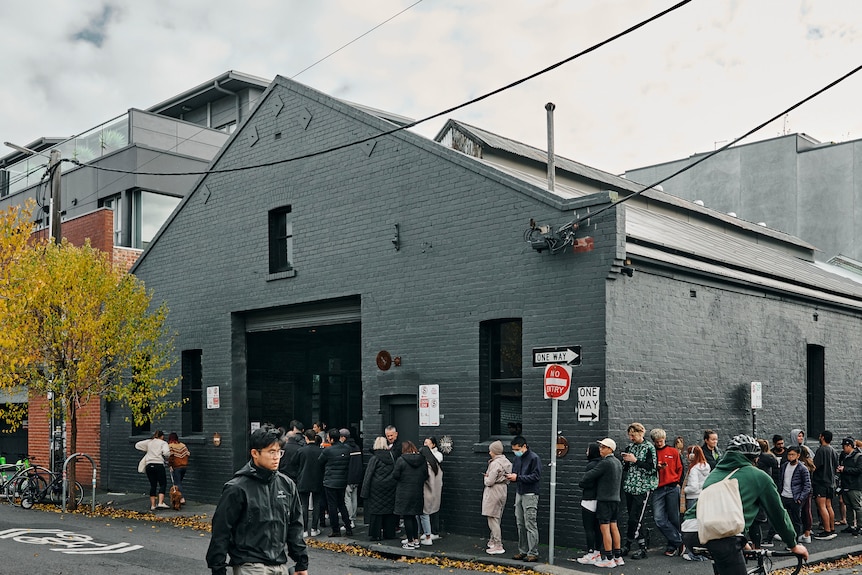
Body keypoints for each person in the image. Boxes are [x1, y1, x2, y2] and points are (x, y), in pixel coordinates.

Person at [681, 434, 807, 575]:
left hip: (690, 530)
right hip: (718, 534)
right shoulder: (759, 476)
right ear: (755, 458)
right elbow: (778, 514)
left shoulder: (715, 473)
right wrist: (793, 544)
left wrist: (741, 540)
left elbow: (718, 510)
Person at [206, 426, 308, 575]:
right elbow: (221, 530)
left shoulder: (287, 485)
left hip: (280, 565)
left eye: (279, 452)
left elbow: (295, 526)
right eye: (271, 452)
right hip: (250, 565)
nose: (276, 457)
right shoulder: (237, 488)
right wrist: (218, 568)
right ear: (255, 453)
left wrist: (301, 562)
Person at [578, 438, 624, 568]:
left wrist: (582, 481)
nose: (600, 449)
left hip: (604, 500)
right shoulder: (618, 462)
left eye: (603, 447)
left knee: (604, 529)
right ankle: (618, 556)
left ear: (610, 449)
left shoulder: (605, 463)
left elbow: (589, 475)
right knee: (614, 527)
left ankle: (608, 558)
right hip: (616, 499)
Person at [621, 422, 657, 559]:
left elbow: (651, 468)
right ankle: (641, 547)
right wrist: (625, 461)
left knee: (635, 518)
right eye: (629, 435)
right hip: (630, 485)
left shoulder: (649, 448)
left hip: (642, 487)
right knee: (634, 517)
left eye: (633, 435)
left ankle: (629, 543)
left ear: (641, 433)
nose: (631, 438)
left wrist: (635, 460)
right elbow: (626, 469)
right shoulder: (630, 447)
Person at [506, 435, 541, 562]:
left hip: (530, 493)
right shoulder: (517, 458)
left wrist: (518, 478)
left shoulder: (534, 458)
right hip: (520, 492)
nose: (516, 452)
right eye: (514, 449)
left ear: (524, 446)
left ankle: (533, 552)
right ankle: (523, 550)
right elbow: (517, 474)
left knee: (530, 523)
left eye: (517, 449)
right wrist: (512, 477)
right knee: (520, 523)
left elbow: (536, 476)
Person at [650, 428, 684, 556]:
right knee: (659, 518)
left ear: (664, 439)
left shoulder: (673, 452)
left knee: (674, 517)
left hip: (672, 487)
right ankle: (679, 541)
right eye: (657, 441)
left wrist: (677, 483)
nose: (659, 443)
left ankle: (672, 545)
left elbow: (680, 468)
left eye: (661, 441)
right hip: (658, 488)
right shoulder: (651, 452)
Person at [361, 436, 398, 541]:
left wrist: (364, 492)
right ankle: (390, 533)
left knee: (376, 511)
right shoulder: (392, 456)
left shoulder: (374, 458)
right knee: (389, 511)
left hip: (376, 488)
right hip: (390, 486)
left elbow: (368, 475)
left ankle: (375, 534)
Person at [393, 441, 427, 549]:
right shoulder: (422, 460)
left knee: (407, 516)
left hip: (404, 492)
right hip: (417, 491)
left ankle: (410, 541)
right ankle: (416, 539)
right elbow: (426, 475)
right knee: (414, 516)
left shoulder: (401, 460)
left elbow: (395, 475)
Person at [318, 428, 352, 536]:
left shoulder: (328, 451)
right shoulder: (347, 449)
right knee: (342, 504)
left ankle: (336, 530)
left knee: (332, 506)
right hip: (342, 480)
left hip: (330, 481)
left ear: (332, 439)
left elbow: (320, 462)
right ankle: (348, 527)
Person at [574, 444, 603, 564]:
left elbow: (587, 482)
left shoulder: (591, 465)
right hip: (600, 499)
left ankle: (590, 552)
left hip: (589, 499)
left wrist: (581, 484)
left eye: (587, 450)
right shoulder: (602, 464)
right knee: (598, 528)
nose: (586, 452)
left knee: (589, 528)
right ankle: (597, 552)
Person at [292, 429, 324, 537]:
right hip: (317, 479)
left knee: (303, 505)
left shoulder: (301, 450)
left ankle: (304, 529)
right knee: (317, 504)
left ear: (306, 438)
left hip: (303, 479)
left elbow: (293, 463)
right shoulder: (321, 451)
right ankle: (314, 528)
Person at [482, 440, 512, 555]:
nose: (489, 452)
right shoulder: (506, 462)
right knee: (497, 516)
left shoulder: (494, 464)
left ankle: (498, 545)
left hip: (494, 490)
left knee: (492, 518)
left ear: (494, 451)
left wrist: (486, 478)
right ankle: (493, 540)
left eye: (491, 450)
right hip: (503, 490)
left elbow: (489, 481)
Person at [779, 446, 812, 539]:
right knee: (781, 518)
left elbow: (807, 485)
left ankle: (795, 540)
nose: (790, 457)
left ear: (798, 455)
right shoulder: (784, 466)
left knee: (796, 520)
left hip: (795, 498)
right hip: (784, 496)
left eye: (793, 454)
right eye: (789, 454)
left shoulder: (802, 468)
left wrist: (800, 498)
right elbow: (781, 480)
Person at [812, 430, 839, 540]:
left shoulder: (821, 450)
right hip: (831, 482)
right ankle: (832, 528)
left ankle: (826, 530)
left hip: (821, 482)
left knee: (821, 506)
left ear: (822, 437)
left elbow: (815, 466)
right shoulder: (833, 450)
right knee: (829, 505)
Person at [135, 430, 170, 511]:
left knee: (153, 485)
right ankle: (160, 502)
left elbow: (137, 445)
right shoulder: (163, 443)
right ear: (162, 436)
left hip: (149, 465)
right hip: (158, 464)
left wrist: (147, 449)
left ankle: (153, 505)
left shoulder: (149, 442)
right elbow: (166, 453)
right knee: (163, 483)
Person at [418, 445, 443, 546]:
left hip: (427, 492)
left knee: (424, 514)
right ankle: (433, 532)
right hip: (436, 493)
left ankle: (427, 534)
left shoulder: (427, 466)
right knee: (433, 512)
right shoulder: (436, 465)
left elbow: (428, 480)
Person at [837, 436, 862, 536]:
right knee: (848, 506)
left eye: (844, 446)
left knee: (857, 506)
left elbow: (859, 470)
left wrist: (845, 469)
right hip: (846, 484)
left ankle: (860, 526)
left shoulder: (858, 456)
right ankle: (851, 525)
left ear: (849, 446)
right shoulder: (845, 456)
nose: (843, 449)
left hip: (855, 485)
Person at [424, 436, 444, 539]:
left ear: (433, 445)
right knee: (426, 508)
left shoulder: (438, 454)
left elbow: (437, 461)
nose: (425, 445)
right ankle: (426, 531)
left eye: (427, 443)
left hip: (435, 485)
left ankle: (435, 531)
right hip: (427, 485)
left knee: (434, 506)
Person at [343, 429, 363, 530]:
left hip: (349, 477)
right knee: (354, 497)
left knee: (347, 498)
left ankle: (349, 520)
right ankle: (353, 518)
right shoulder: (357, 447)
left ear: (343, 437)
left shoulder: (345, 448)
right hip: (357, 476)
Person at [166, 432, 190, 505]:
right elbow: (188, 454)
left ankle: (181, 498)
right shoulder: (182, 445)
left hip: (176, 467)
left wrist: (170, 465)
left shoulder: (170, 446)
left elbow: (171, 457)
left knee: (177, 483)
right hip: (184, 466)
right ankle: (178, 498)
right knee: (179, 482)